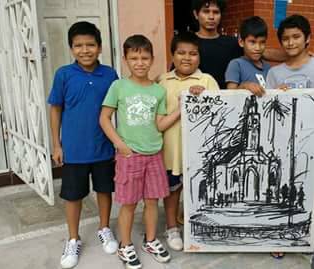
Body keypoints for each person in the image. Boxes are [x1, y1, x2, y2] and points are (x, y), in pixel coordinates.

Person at [265, 14, 314, 259]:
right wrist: (279, 96)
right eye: (285, 38)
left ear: (308, 38)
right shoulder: (275, 73)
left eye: (296, 37)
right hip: (283, 141)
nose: (290, 42)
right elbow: (269, 108)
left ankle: (299, 233)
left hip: (313, 140)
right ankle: (278, 236)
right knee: (280, 187)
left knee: (305, 188)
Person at [99, 35, 178, 269]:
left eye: (144, 58)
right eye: (134, 58)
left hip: (154, 153)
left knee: (152, 201)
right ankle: (125, 245)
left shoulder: (158, 91)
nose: (140, 62)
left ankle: (150, 240)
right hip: (129, 155)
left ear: (152, 59)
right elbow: (104, 118)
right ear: (125, 60)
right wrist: (119, 144)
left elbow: (159, 124)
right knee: (129, 203)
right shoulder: (119, 86)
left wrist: (181, 109)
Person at [47, 21, 119, 269]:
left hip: (103, 147)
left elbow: (120, 107)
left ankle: (104, 228)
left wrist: (119, 142)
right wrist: (56, 144)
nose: (85, 50)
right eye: (78, 45)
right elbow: (55, 109)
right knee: (73, 195)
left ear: (99, 47)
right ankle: (73, 238)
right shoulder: (64, 74)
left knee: (104, 190)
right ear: (71, 48)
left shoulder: (110, 74)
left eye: (90, 45)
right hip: (74, 150)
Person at [158, 31, 219, 251]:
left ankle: (200, 227)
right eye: (181, 52)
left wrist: (203, 97)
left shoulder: (207, 80)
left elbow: (219, 116)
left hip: (200, 152)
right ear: (172, 55)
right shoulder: (162, 81)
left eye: (193, 53)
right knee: (172, 190)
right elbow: (158, 117)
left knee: (201, 189)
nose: (186, 57)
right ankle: (172, 227)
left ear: (199, 57)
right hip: (171, 151)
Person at [192, 0, 286, 88]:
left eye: (216, 12)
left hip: (228, 99)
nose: (211, 17)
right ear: (196, 14)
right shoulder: (188, 43)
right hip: (198, 96)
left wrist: (295, 55)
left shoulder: (232, 43)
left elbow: (263, 52)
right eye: (206, 11)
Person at [225, 16, 270, 96]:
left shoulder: (268, 67)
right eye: (252, 42)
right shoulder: (236, 64)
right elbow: (230, 95)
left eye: (262, 42)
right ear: (241, 42)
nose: (258, 48)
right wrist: (245, 86)